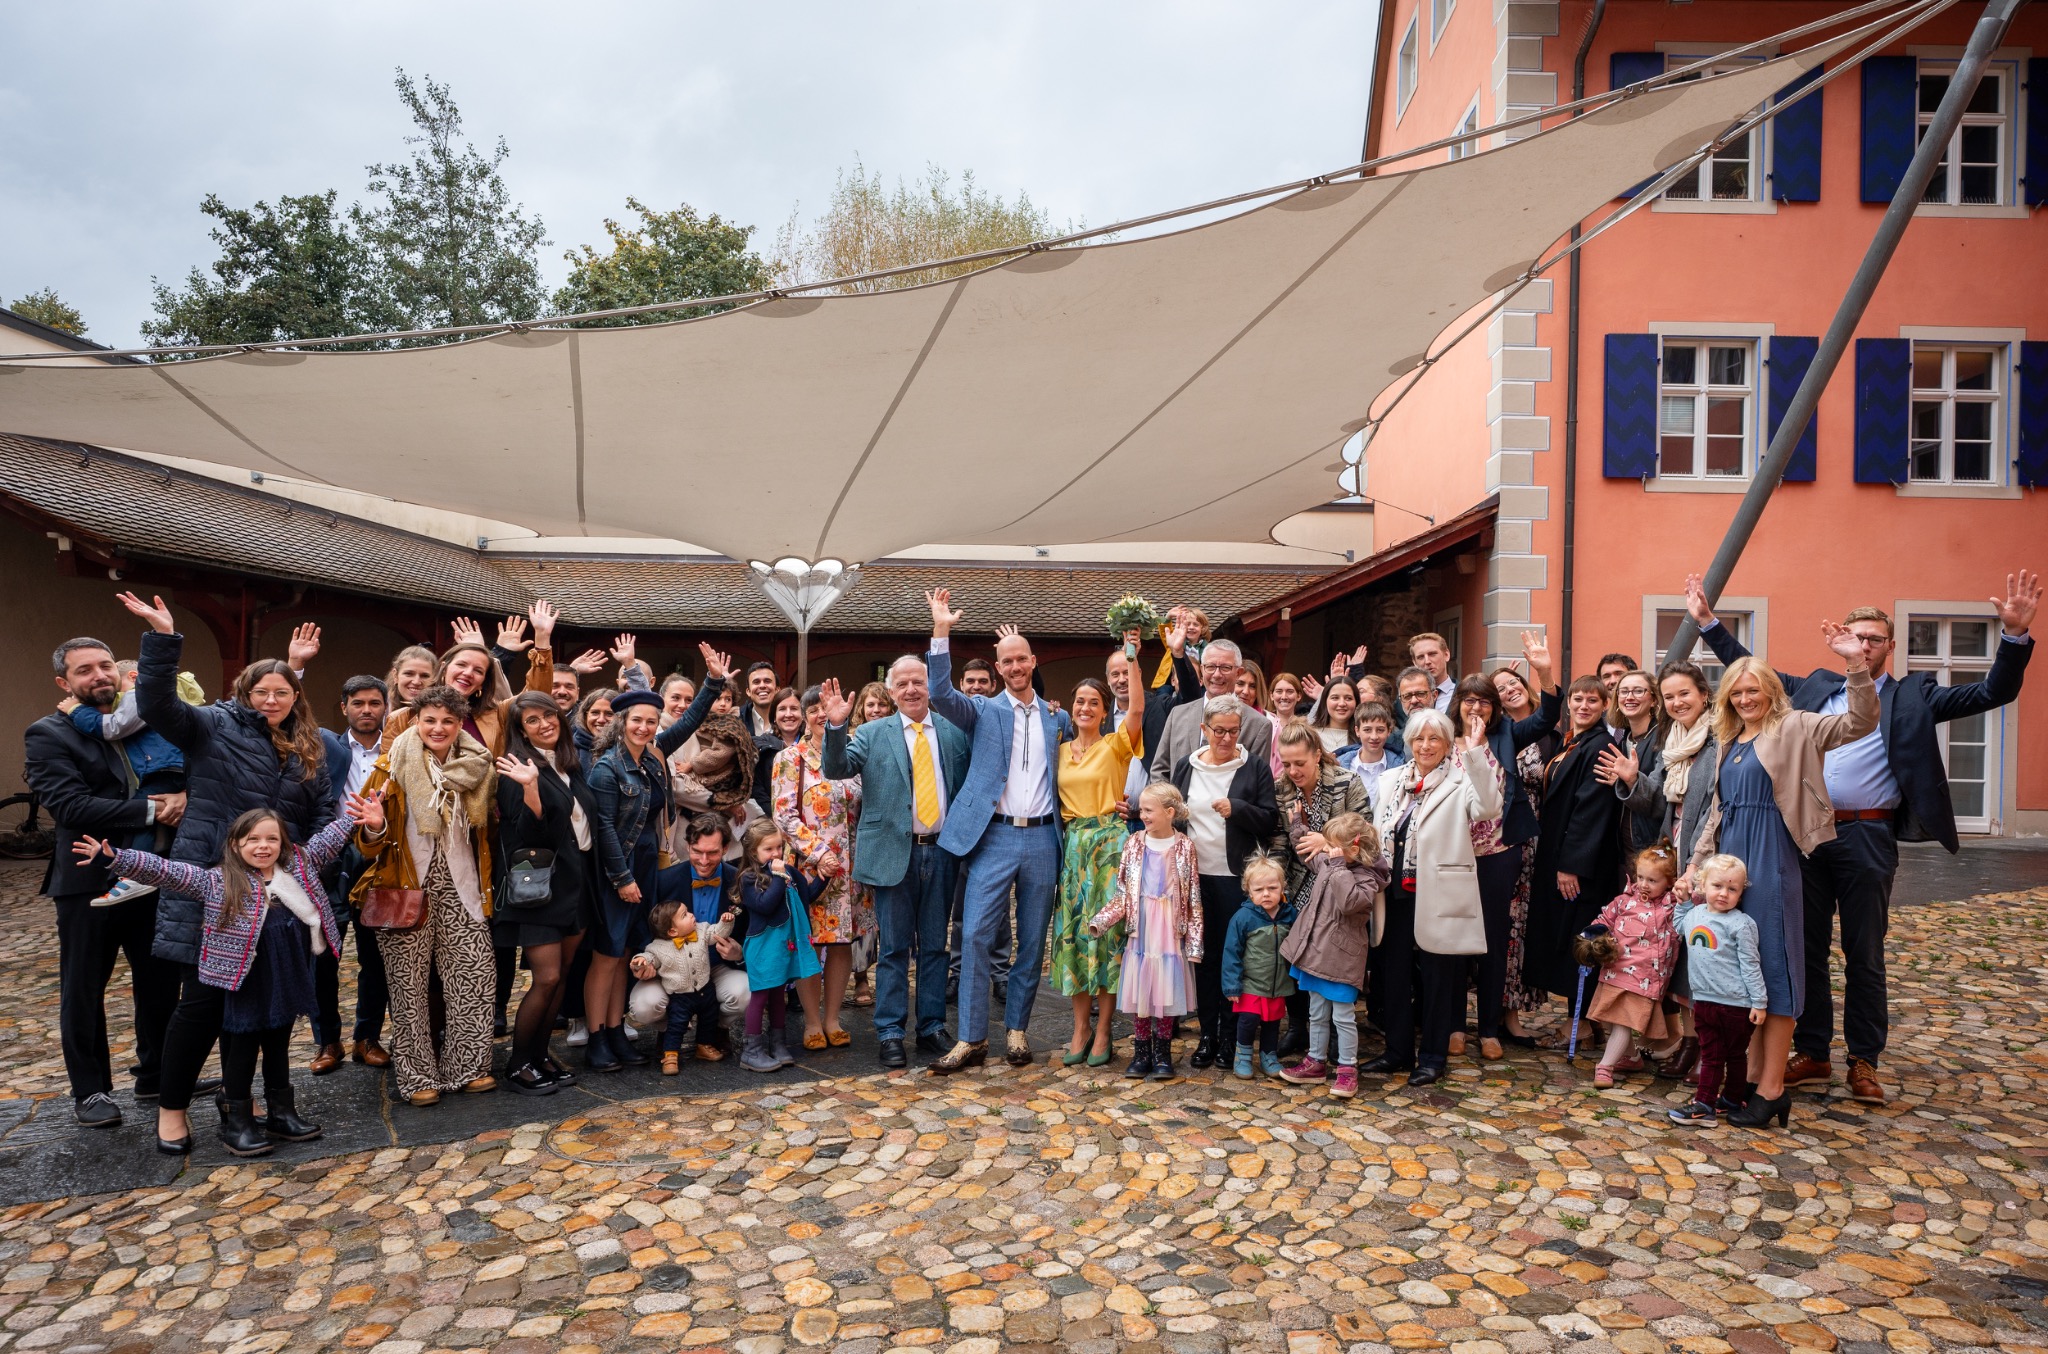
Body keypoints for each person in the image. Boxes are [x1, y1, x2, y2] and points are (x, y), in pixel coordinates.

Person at [1688, 570, 2037, 1105]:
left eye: (1875, 639)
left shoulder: (1915, 695)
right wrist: (1709, 623)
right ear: (1840, 639)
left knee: (1864, 952)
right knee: (1802, 948)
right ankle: (1814, 1052)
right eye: (1858, 637)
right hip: (1801, 839)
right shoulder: (1811, 688)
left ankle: (1863, 1060)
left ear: (1890, 647)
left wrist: (2014, 636)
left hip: (1867, 833)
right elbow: (1749, 676)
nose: (1866, 645)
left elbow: (1994, 691)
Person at [117, 593, 336, 1151]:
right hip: (212, 884)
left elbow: (324, 815)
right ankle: (171, 1109)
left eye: (281, 692)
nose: (270, 700)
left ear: (295, 697)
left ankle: (245, 1100)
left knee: (264, 1006)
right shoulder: (212, 725)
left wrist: (297, 869)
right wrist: (163, 638)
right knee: (202, 1006)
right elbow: (160, 704)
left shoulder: (306, 748)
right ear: (243, 693)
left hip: (276, 893)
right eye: (260, 691)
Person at [1679, 622, 1878, 1128]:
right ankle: (1744, 1085)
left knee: (1775, 973)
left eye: (1756, 690)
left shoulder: (1798, 727)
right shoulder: (1729, 738)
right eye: (1739, 691)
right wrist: (1695, 869)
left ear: (1772, 693)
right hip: (1733, 863)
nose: (1747, 698)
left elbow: (1860, 721)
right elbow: (1719, 812)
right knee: (1743, 980)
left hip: (1773, 861)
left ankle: (1771, 1092)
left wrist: (1856, 663)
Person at [80, 804, 363, 1154]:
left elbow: (327, 841)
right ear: (234, 845)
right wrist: (117, 859)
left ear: (283, 843)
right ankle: (238, 1118)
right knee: (243, 1046)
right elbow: (170, 872)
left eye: (272, 839)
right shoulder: (218, 880)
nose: (263, 846)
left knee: (278, 1042)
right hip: (243, 979)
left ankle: (281, 1111)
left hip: (287, 973)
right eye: (253, 839)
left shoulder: (298, 865)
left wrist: (356, 815)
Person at [25, 636, 183, 1128]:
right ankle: (90, 1090)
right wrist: (154, 808)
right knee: (84, 987)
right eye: (84, 670)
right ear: (64, 683)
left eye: (105, 665)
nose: (99, 676)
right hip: (88, 882)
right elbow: (70, 807)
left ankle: (155, 1073)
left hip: (154, 874)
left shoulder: (140, 719)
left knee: (159, 982)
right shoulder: (48, 734)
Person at [923, 589, 1076, 1073]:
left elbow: (1083, 761)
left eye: (1020, 659)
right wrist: (942, 629)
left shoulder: (1059, 718)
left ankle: (1016, 1031)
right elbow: (940, 694)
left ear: (1033, 661)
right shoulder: (983, 709)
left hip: (1043, 840)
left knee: (1032, 940)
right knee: (975, 938)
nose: (1014, 667)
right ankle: (971, 1038)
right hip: (993, 835)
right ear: (998, 666)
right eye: (1005, 662)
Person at [349, 684, 498, 1107]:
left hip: (463, 884)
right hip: (405, 886)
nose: (438, 728)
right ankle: (416, 1077)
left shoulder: (477, 767)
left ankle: (467, 1066)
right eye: (429, 719)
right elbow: (366, 843)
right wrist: (376, 825)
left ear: (458, 725)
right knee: (408, 988)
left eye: (447, 721)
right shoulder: (388, 767)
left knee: (475, 975)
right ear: (415, 721)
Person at [585, 647, 731, 1069]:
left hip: (648, 864)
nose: (645, 727)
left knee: (626, 948)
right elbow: (606, 828)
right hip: (620, 869)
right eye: (637, 720)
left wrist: (713, 682)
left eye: (651, 720)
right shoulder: (606, 769)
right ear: (622, 723)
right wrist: (621, 878)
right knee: (606, 956)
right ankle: (597, 1036)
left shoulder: (652, 754)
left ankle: (616, 1031)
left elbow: (688, 720)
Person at [820, 663, 971, 1068]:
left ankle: (932, 1027)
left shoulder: (953, 732)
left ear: (930, 687)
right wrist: (835, 728)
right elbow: (836, 770)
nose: (911, 690)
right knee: (894, 949)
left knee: (936, 947)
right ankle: (889, 1031)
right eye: (901, 684)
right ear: (891, 692)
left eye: (918, 682)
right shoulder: (872, 733)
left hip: (942, 852)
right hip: (892, 854)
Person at [1365, 707, 1500, 1085]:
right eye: (1419, 738)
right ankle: (1396, 1051)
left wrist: (1474, 754)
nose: (1426, 746)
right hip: (1392, 893)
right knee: (1392, 975)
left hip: (1438, 893)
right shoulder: (1392, 780)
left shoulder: (1461, 781)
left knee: (1440, 980)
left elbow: (1489, 807)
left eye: (1435, 739)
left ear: (1446, 745)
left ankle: (1433, 1057)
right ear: (1408, 742)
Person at [1444, 632, 1561, 1060]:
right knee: (1456, 938)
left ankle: (1489, 1027)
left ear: (1494, 708)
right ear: (1457, 704)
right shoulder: (1442, 738)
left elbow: (1548, 716)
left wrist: (1544, 671)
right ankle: (1455, 1024)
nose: (1476, 708)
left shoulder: (1509, 733)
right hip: (1454, 853)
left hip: (1500, 850)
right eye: (1469, 701)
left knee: (1494, 939)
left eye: (1485, 702)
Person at [492, 691, 597, 1095]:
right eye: (531, 720)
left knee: (561, 979)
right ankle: (519, 1065)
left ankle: (540, 1056)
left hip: (576, 886)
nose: (543, 724)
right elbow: (526, 839)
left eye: (548, 715)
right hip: (540, 891)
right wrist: (532, 790)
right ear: (520, 730)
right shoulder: (516, 767)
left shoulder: (569, 764)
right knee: (546, 977)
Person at [1167, 694, 1279, 1071]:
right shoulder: (1187, 766)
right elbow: (1176, 814)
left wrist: (1239, 810)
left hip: (1236, 877)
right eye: (1219, 731)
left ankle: (1232, 1038)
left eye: (1233, 731)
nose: (1227, 738)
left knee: (1235, 958)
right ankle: (1207, 1036)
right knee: (1204, 957)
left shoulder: (1255, 767)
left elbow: (1270, 820)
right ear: (1205, 730)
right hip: (1195, 878)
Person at [1047, 641, 1145, 1068]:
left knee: (1106, 938)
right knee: (1075, 937)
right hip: (1073, 848)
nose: (1085, 708)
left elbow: (1138, 709)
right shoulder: (1059, 750)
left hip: (1109, 844)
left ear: (1106, 711)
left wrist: (1132, 658)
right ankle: (1080, 1027)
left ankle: (1104, 1029)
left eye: (1094, 703)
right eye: (1080, 702)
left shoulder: (1117, 745)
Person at [773, 685, 874, 1051]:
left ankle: (833, 1018)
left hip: (851, 871)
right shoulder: (790, 758)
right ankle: (812, 1021)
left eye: (826, 709)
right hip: (811, 871)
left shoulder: (854, 755)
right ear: (803, 715)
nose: (820, 715)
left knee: (843, 943)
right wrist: (818, 853)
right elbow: (783, 815)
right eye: (813, 709)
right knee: (810, 944)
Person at [1522, 676, 1625, 1024]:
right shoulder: (1576, 741)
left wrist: (1571, 865)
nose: (1583, 706)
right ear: (1568, 704)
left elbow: (1591, 808)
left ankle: (1581, 1025)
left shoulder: (1601, 746)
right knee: (1567, 940)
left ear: (1605, 705)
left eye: (1593, 701)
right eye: (1578, 699)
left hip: (1582, 865)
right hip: (1561, 853)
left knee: (1580, 942)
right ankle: (1578, 1023)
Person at [1086, 782, 1202, 1081]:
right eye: (1142, 809)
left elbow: (1193, 897)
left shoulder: (1185, 846)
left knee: (1164, 987)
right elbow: (1123, 893)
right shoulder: (1135, 843)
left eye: (1149, 810)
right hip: (1143, 927)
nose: (1143, 815)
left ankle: (1163, 1052)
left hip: (1169, 929)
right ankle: (1141, 1051)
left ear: (1169, 812)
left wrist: (1195, 943)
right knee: (1141, 989)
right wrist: (1103, 919)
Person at [1278, 812, 1388, 1098]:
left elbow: (1351, 902)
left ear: (1352, 849)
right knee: (1316, 1011)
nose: (1326, 850)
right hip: (1316, 953)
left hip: (1341, 958)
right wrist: (1298, 827)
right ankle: (1315, 1061)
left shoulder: (1367, 877)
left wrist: (1338, 866)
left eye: (1333, 846)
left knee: (1342, 1016)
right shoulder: (1332, 862)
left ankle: (1347, 1070)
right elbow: (1309, 855)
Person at [313, 676, 391, 1075]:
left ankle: (367, 1037)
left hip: (378, 857)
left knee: (374, 956)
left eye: (374, 703)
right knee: (323, 955)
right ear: (343, 706)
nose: (366, 710)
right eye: (358, 703)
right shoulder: (325, 746)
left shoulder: (397, 749)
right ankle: (327, 1041)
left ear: (385, 706)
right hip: (330, 858)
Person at [631, 813, 751, 1048]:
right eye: (697, 851)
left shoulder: (739, 882)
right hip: (670, 968)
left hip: (717, 966)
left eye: (713, 852)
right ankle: (668, 1029)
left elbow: (751, 932)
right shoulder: (664, 880)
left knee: (745, 993)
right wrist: (646, 964)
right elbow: (645, 930)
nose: (704, 860)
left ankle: (717, 1028)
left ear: (726, 848)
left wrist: (740, 954)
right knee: (644, 1005)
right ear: (687, 846)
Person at [383, 604, 560, 758]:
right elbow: (387, 774)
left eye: (478, 670)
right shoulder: (402, 718)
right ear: (444, 668)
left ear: (483, 682)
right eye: (461, 664)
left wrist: (542, 639)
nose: (468, 673)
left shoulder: (498, 715)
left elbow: (537, 696)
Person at [1667, 855, 1767, 1126]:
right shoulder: (1695, 915)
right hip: (1703, 1001)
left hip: (1736, 1004)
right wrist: (1683, 902)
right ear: (1703, 886)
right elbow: (1679, 927)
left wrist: (1759, 1002)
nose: (1724, 894)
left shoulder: (1741, 924)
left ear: (1741, 892)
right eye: (1717, 886)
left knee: (1726, 1054)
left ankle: (1705, 1106)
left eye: (1732, 889)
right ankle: (1728, 1100)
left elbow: (1750, 965)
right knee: (1718, 1053)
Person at [1492, 660, 1558, 1046]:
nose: (1509, 689)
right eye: (1499, 687)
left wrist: (1544, 672)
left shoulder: (1552, 735)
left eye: (1513, 681)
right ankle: (1501, 1012)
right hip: (1506, 834)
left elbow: (1549, 712)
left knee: (1527, 924)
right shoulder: (1501, 733)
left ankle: (1513, 1010)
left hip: (1540, 837)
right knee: (1507, 923)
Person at [1584, 842, 1682, 1088]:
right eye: (1640, 877)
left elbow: (1692, 909)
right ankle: (1631, 1057)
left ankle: (1604, 1066)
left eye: (1652, 880)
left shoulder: (1672, 907)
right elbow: (1605, 918)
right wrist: (1591, 936)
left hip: (1644, 977)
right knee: (1610, 1018)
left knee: (1622, 1023)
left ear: (1669, 882)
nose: (1644, 884)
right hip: (1615, 970)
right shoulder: (1624, 901)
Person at [733, 820, 825, 1073]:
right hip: (763, 945)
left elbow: (807, 895)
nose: (776, 854)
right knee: (761, 995)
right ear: (753, 852)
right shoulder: (748, 877)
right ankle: (751, 1051)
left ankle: (778, 1044)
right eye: (768, 849)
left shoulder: (787, 872)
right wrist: (777, 877)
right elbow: (765, 905)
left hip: (784, 943)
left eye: (779, 848)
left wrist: (822, 877)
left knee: (778, 994)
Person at [1149, 638, 1273, 783]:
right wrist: (1169, 804)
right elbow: (1159, 770)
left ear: (1238, 672)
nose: (1217, 674)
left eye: (1225, 668)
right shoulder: (1178, 714)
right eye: (1210, 667)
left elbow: (1255, 783)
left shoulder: (1258, 726)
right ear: (1202, 670)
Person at [629, 899, 731, 1073]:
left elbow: (718, 933)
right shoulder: (658, 947)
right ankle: (670, 1054)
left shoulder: (701, 929)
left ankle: (703, 1045)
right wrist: (641, 960)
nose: (692, 915)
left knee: (709, 1019)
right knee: (677, 1024)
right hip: (680, 996)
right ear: (672, 930)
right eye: (685, 915)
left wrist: (726, 921)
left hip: (705, 990)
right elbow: (650, 957)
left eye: (688, 911)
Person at [1221, 856, 1295, 1080]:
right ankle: (1242, 1056)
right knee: (1248, 1020)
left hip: (1278, 982)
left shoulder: (1290, 915)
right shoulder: (1243, 918)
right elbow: (1231, 953)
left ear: (1282, 887)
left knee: (1273, 1022)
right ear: (1249, 891)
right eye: (1259, 889)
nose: (1266, 894)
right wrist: (1232, 985)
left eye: (1272, 888)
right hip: (1250, 983)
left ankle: (1268, 1056)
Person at [1595, 671, 1666, 857]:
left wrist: (1630, 780)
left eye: (1638, 691)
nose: (1630, 697)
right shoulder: (1622, 740)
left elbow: (1661, 804)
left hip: (1653, 848)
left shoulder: (1664, 738)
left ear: (1654, 700)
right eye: (1624, 692)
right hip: (1623, 845)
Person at [1305, 679, 1359, 756]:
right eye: (1335, 698)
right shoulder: (1310, 735)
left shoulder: (1363, 736)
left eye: (1348, 698)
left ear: (1356, 702)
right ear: (1325, 701)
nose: (1342, 703)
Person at [571, 689, 615, 774]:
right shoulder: (568, 751)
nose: (601, 720)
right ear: (585, 716)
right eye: (595, 713)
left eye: (609, 714)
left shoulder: (628, 749)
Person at [1409, 632, 1456, 711]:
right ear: (1414, 663)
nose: (1427, 661)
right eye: (1421, 657)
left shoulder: (1465, 695)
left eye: (1432, 654)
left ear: (1446, 655)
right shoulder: (1404, 700)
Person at [385, 646, 439, 712]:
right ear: (395, 675)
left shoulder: (443, 712)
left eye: (424, 676)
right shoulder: (381, 711)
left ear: (435, 678)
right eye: (409, 674)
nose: (416, 682)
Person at [740, 662, 781, 738]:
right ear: (748, 691)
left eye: (767, 681)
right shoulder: (737, 719)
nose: (762, 686)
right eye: (756, 682)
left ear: (777, 689)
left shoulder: (787, 718)